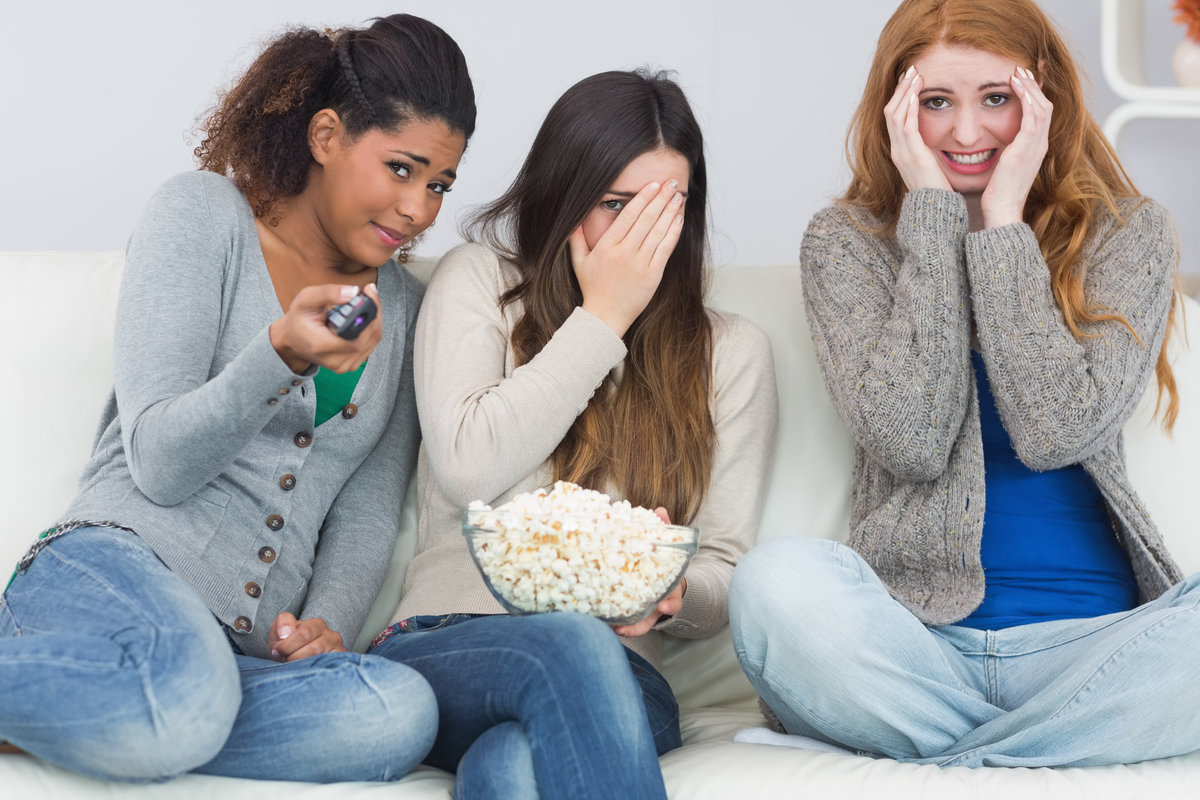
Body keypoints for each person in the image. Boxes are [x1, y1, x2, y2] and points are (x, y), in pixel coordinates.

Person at [0, 14, 475, 783]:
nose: (420, 208)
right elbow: (156, 460)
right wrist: (281, 352)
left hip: (238, 658)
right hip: (114, 570)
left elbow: (364, 511)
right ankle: (153, 705)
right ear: (326, 136)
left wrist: (328, 628)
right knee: (189, 692)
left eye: (440, 184)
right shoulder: (203, 216)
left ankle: (122, 714)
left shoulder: (408, 310)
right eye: (401, 169)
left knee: (397, 712)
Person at [730, 0, 1199, 769]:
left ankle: (952, 753)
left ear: (1043, 96)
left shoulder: (1127, 234)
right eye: (936, 102)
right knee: (775, 584)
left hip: (1092, 649)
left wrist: (1004, 225)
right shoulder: (846, 244)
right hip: (914, 642)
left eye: (996, 98)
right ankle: (1045, 751)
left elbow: (1058, 432)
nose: (968, 133)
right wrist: (933, 221)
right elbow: (909, 442)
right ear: (894, 106)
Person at [366, 69, 778, 798]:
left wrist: (674, 590)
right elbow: (467, 467)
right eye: (617, 205)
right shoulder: (478, 282)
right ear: (562, 193)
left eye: (665, 209)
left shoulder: (731, 351)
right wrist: (603, 318)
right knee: (567, 639)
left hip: (623, 676)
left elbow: (726, 571)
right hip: (447, 643)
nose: (638, 236)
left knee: (511, 767)